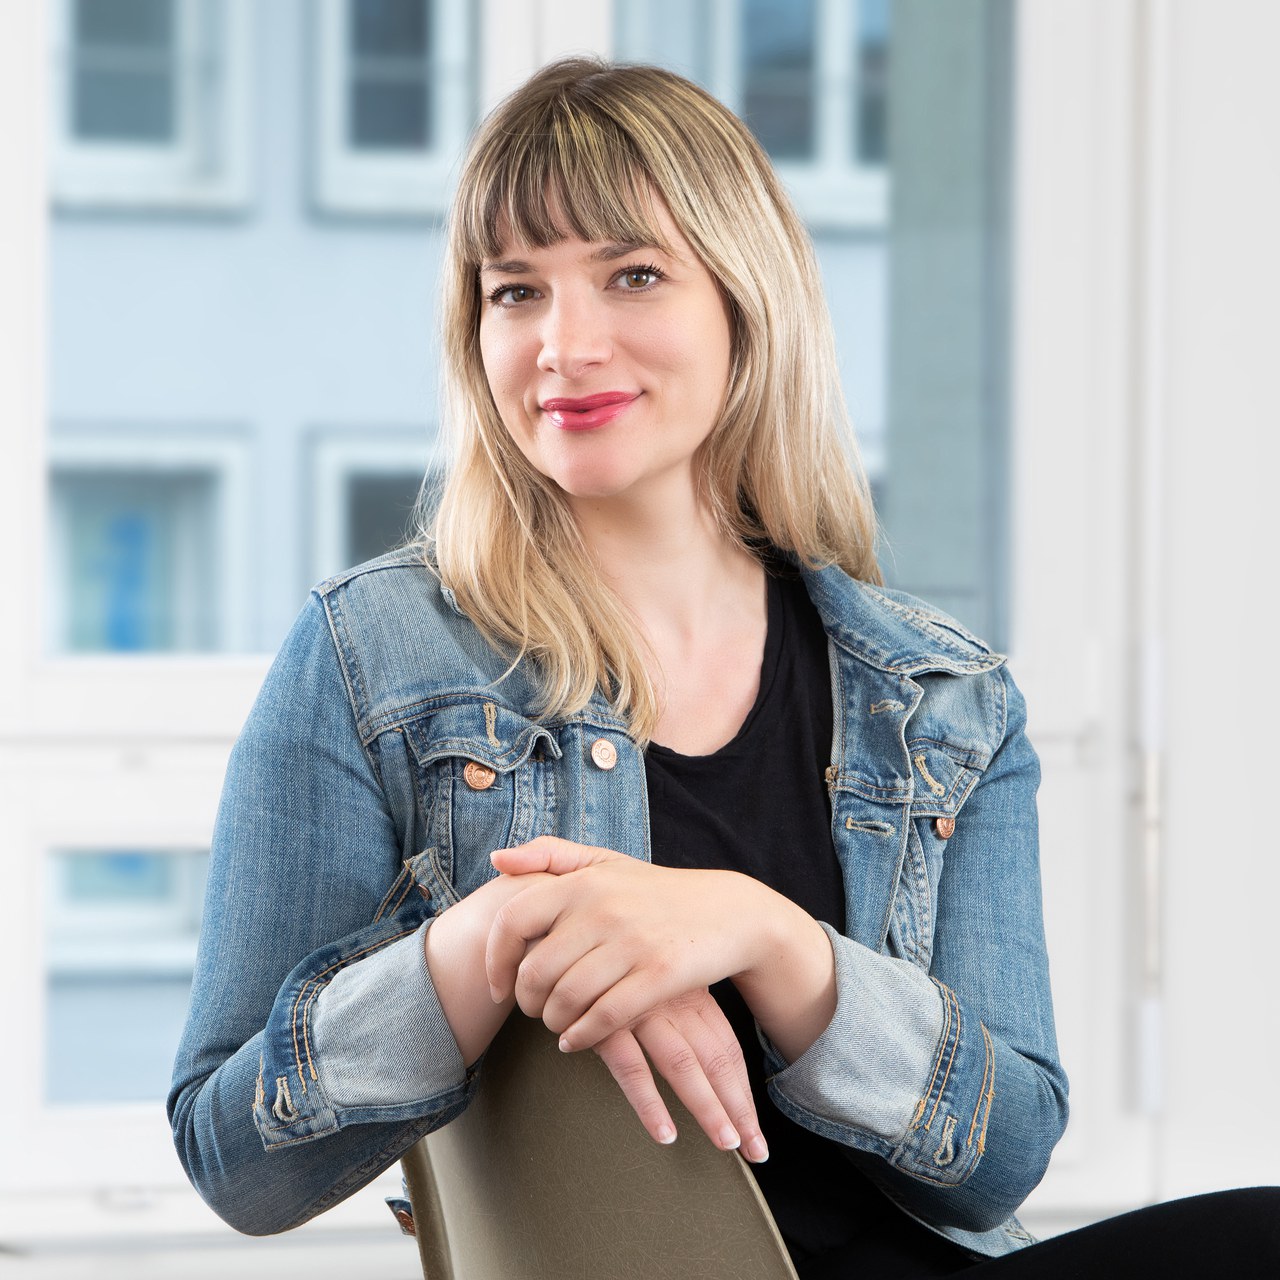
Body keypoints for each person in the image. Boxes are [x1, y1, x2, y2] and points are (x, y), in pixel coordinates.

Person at [169, 57, 1279, 1277]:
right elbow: (236, 1158)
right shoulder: (370, 654)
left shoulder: (939, 696)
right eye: (515, 291)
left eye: (632, 274)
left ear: (744, 303)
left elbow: (999, 1157)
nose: (563, 345)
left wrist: (762, 933)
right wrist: (494, 938)